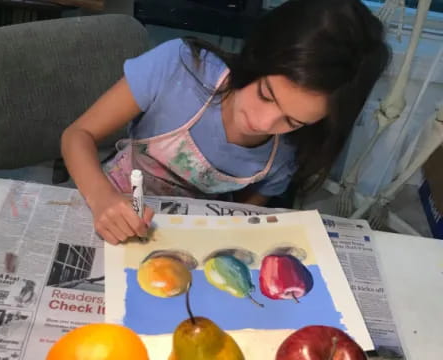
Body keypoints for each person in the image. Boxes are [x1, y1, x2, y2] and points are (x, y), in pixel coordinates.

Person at [61, 0, 390, 244]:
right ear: (257, 55)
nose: (262, 123)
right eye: (265, 93)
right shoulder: (178, 67)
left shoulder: (288, 153)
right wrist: (101, 197)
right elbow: (78, 134)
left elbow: (245, 219)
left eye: (292, 120)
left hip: (185, 237)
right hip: (105, 200)